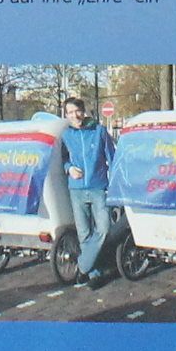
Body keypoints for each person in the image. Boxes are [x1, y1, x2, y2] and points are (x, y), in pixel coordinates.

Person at [57, 94, 118, 275]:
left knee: (104, 229)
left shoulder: (99, 131)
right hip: (76, 190)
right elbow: (63, 159)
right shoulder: (66, 135)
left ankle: (83, 265)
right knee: (84, 234)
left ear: (83, 112)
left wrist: (113, 185)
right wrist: (69, 169)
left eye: (77, 111)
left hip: (98, 187)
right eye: (70, 112)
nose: (74, 116)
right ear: (66, 115)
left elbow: (112, 158)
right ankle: (93, 272)